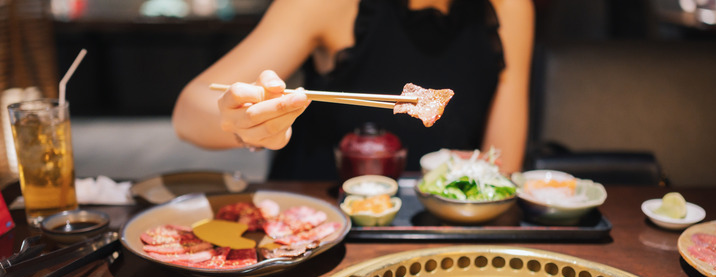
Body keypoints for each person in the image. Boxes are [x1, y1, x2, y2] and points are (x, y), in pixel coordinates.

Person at [172, 0, 535, 180]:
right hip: (318, 227)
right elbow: (190, 109)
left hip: (439, 228)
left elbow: (504, 162)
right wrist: (244, 122)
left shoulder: (510, 8)